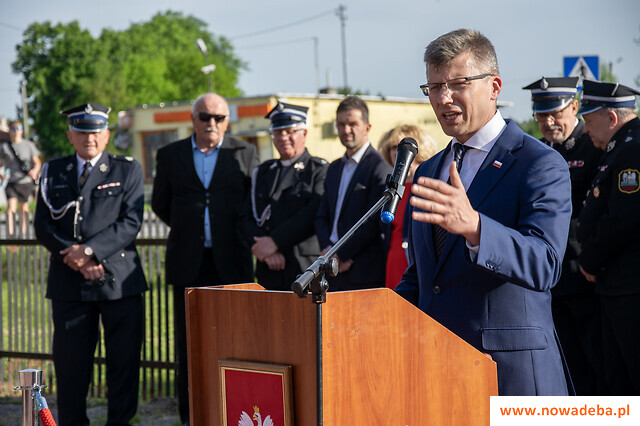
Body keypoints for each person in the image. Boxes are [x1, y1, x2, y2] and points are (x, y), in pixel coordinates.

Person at [395, 29, 572, 396]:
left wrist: (476, 228)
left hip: (510, 375)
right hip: (440, 370)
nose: (444, 98)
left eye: (458, 84)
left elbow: (546, 263)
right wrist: (376, 313)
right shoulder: (429, 170)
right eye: (434, 87)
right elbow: (428, 275)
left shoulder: (538, 163)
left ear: (494, 87)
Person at [34, 103, 147, 425]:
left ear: (107, 135)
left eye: (96, 132)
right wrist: (78, 259)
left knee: (123, 365)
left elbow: (131, 221)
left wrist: (91, 252)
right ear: (70, 135)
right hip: (69, 284)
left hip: (118, 283)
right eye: (82, 132)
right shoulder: (53, 171)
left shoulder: (127, 169)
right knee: (71, 368)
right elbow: (43, 226)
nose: (89, 138)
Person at [151, 92, 258, 424]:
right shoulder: (170, 155)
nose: (212, 123)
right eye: (205, 117)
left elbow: (251, 202)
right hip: (188, 262)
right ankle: (191, 415)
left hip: (232, 262)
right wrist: (190, 227)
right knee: (190, 344)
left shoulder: (244, 153)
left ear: (227, 121)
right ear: (193, 119)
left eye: (219, 118)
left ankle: (235, 412)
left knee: (237, 340)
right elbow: (160, 203)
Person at [522, 76, 604, 395]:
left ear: (574, 107)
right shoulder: (538, 151)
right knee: (565, 363)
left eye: (555, 113)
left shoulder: (594, 147)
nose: (548, 122)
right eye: (542, 115)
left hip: (586, 274)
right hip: (551, 280)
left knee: (597, 364)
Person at [576, 80, 640, 395]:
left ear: (611, 117)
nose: (585, 129)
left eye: (588, 120)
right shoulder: (619, 148)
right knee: (616, 380)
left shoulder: (633, 150)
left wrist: (589, 261)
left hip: (629, 286)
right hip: (616, 285)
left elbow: (623, 218)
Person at [244, 102, 328, 291]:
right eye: (277, 132)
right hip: (269, 269)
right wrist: (265, 250)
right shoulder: (263, 172)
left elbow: (312, 213)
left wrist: (274, 242)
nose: (283, 137)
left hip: (303, 268)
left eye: (290, 131)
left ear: (304, 133)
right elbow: (246, 216)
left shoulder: (318, 170)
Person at [315, 96, 392, 291]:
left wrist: (342, 254)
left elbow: (373, 220)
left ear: (367, 127)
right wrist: (327, 250)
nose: (346, 130)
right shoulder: (334, 168)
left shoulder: (379, 167)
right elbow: (322, 216)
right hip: (331, 269)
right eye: (341, 124)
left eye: (352, 124)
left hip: (361, 272)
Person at [377, 124, 437, 288]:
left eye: (402, 147)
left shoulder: (429, 186)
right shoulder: (388, 190)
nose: (396, 152)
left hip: (417, 266)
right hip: (392, 264)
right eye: (393, 147)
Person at [0, 120, 41, 235]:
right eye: (14, 129)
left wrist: (34, 171)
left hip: (25, 181)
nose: (16, 131)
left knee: (24, 208)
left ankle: (23, 234)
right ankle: (11, 235)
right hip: (11, 181)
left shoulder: (28, 145)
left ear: (22, 130)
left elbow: (37, 162)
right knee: (11, 208)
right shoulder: (4, 147)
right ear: (10, 130)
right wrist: (1, 174)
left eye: (19, 128)